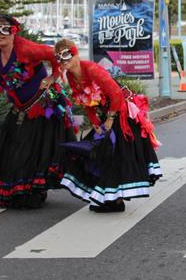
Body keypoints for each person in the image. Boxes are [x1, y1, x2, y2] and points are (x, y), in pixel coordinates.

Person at [55, 39, 162, 213]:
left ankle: (115, 200)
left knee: (115, 156)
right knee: (100, 155)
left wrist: (110, 119)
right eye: (59, 57)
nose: (63, 60)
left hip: (122, 112)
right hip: (107, 113)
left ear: (75, 54)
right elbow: (85, 100)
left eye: (66, 54)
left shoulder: (91, 69)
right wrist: (95, 122)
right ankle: (109, 199)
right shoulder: (70, 76)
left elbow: (117, 94)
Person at [0, 15, 76, 209]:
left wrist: (53, 77)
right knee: (9, 148)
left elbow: (56, 55)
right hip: (19, 108)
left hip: (42, 106)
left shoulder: (27, 49)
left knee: (32, 149)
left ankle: (31, 192)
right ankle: (15, 191)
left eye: (5, 29)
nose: (0, 34)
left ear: (14, 32)